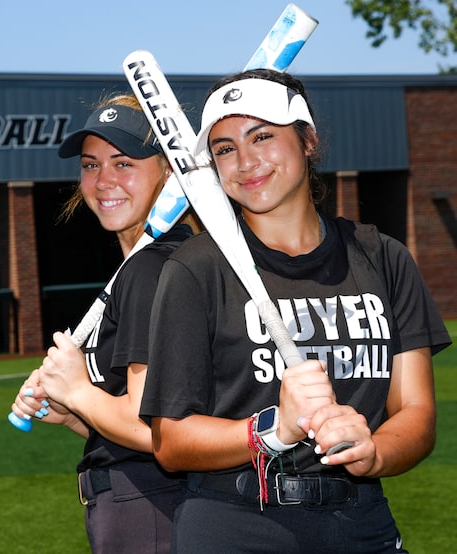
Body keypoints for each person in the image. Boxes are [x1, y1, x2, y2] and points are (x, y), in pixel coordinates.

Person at [139, 68, 452, 553]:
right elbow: (171, 441)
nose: (245, 161)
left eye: (262, 136)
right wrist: (272, 430)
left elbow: (416, 413)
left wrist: (375, 452)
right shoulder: (194, 270)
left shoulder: (382, 257)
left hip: (360, 519)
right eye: (224, 149)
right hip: (235, 525)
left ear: (308, 139)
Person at [10, 93, 196, 553]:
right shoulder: (171, 259)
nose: (103, 181)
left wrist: (78, 390)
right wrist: (76, 413)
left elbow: (157, 433)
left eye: (123, 163)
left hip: (148, 505)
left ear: (169, 172)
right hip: (152, 499)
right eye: (91, 165)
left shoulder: (150, 269)